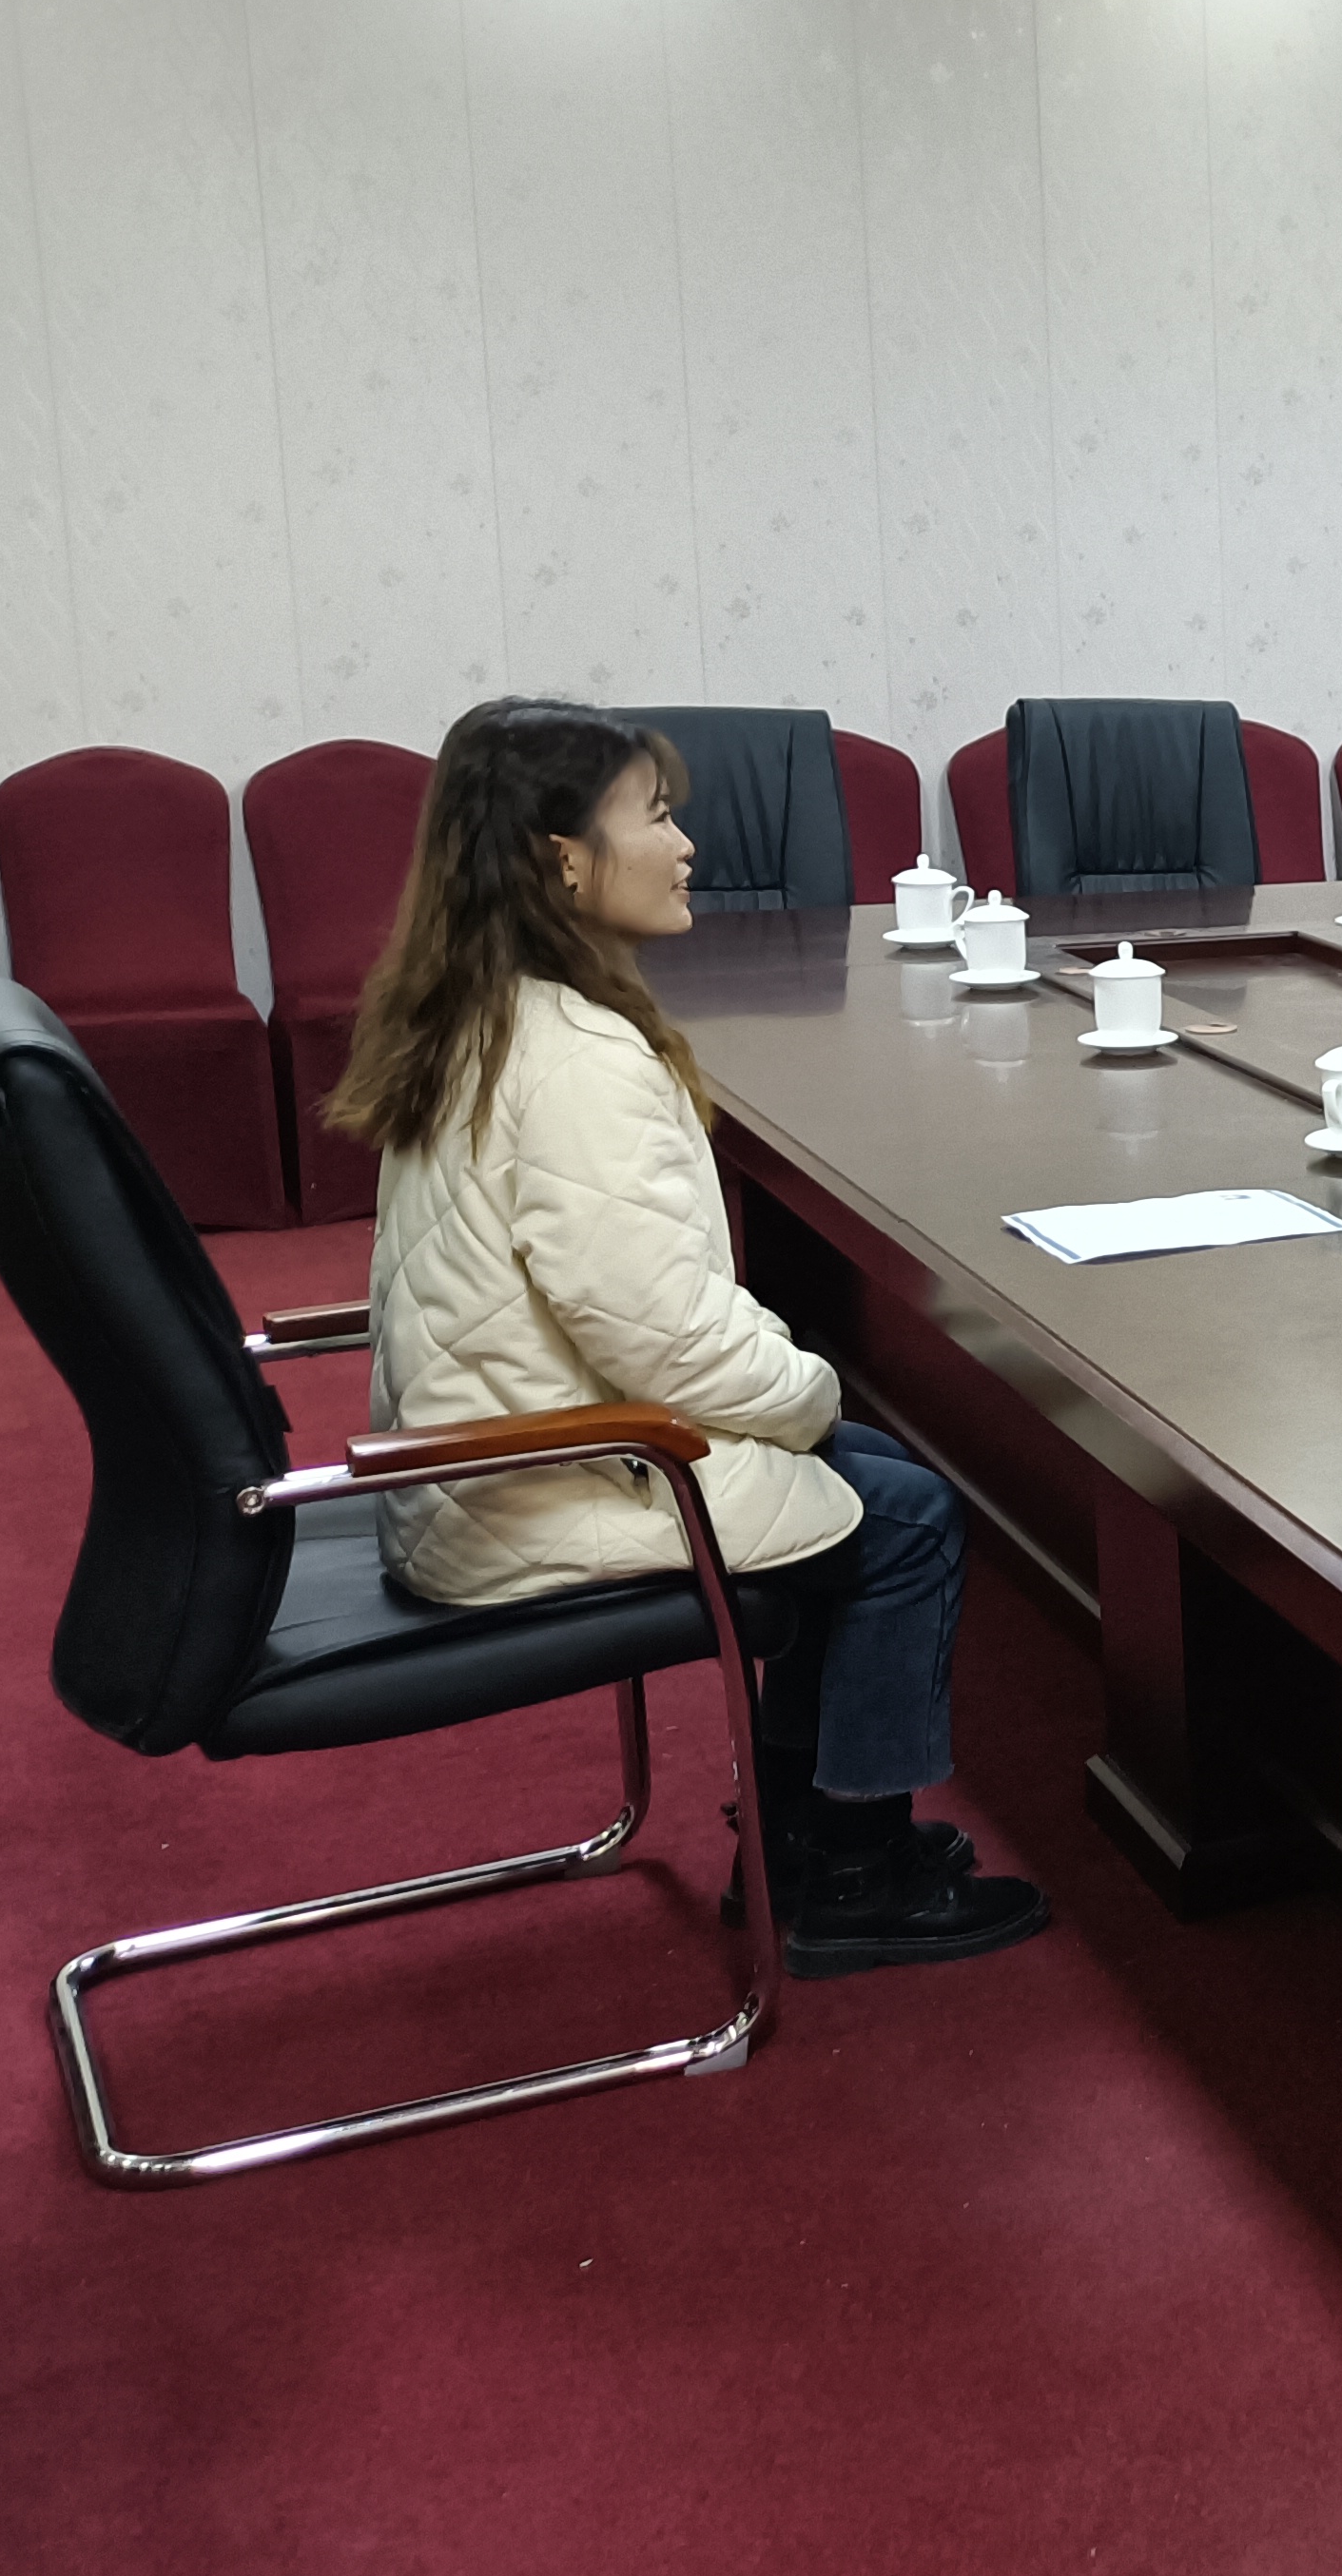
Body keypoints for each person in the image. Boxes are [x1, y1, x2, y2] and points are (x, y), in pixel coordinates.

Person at [329, 698, 1047, 1977]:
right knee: (909, 1520)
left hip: (499, 1459)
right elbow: (658, 1334)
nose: (686, 846)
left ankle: (795, 1837)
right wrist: (811, 1390)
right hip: (537, 1484)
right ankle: (852, 1875)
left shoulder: (477, 1009)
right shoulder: (575, 1059)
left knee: (869, 1484)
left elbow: (627, 1309)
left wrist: (796, 1403)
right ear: (563, 859)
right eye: (656, 817)